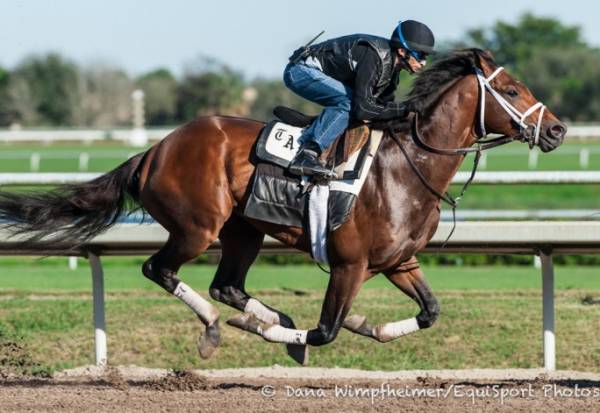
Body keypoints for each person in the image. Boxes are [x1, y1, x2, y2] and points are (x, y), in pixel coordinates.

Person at [283, 20, 435, 179]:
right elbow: (364, 110)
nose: (423, 63)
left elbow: (381, 109)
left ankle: (319, 126)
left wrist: (406, 114)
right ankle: (307, 154)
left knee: (355, 104)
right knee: (349, 102)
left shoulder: (392, 72)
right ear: (403, 51)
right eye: (420, 55)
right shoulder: (373, 57)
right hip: (300, 71)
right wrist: (404, 108)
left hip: (319, 74)